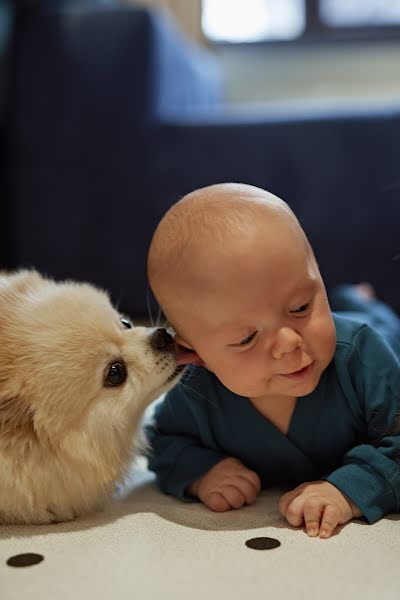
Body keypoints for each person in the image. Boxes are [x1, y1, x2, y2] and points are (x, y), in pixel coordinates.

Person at [146, 182, 400, 539]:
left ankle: (357, 299)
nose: (288, 343)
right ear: (197, 353)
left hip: (384, 337)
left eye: (301, 307)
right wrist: (203, 471)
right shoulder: (197, 392)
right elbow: (161, 441)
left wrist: (350, 488)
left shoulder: (363, 356)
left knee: (383, 322)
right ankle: (350, 298)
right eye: (247, 338)